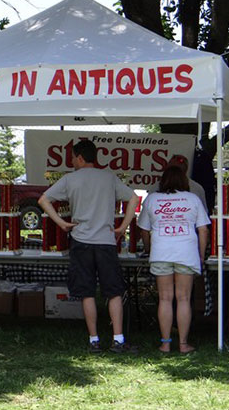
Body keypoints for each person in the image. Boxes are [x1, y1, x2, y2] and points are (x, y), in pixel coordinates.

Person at [38, 139, 140, 354]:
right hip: (105, 241)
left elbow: (43, 200)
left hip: (81, 241)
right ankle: (118, 340)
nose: (73, 161)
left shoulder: (70, 179)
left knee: (87, 293)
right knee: (113, 292)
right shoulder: (109, 177)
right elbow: (133, 198)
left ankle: (94, 339)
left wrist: (61, 222)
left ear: (81, 157)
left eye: (73, 157)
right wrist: (123, 226)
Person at [138, 165, 210, 354]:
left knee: (165, 299)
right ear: (184, 181)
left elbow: (144, 229)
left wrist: (148, 248)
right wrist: (201, 255)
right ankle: (184, 344)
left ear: (163, 181)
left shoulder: (152, 199)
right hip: (186, 252)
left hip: (161, 252)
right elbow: (203, 230)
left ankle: (166, 343)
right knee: (184, 298)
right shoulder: (193, 199)